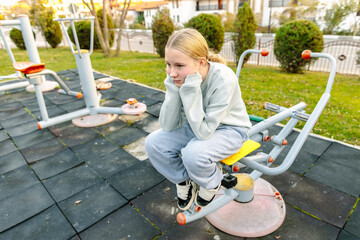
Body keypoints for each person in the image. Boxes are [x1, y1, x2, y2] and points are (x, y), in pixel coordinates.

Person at [145, 28, 252, 211]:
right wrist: (172, 91)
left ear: (201, 62)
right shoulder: (177, 78)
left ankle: (212, 182)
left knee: (193, 154)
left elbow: (203, 133)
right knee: (153, 143)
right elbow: (168, 125)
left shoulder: (224, 79)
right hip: (196, 125)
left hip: (230, 129)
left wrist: (190, 90)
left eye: (179, 65)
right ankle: (183, 178)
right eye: (168, 64)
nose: (171, 73)